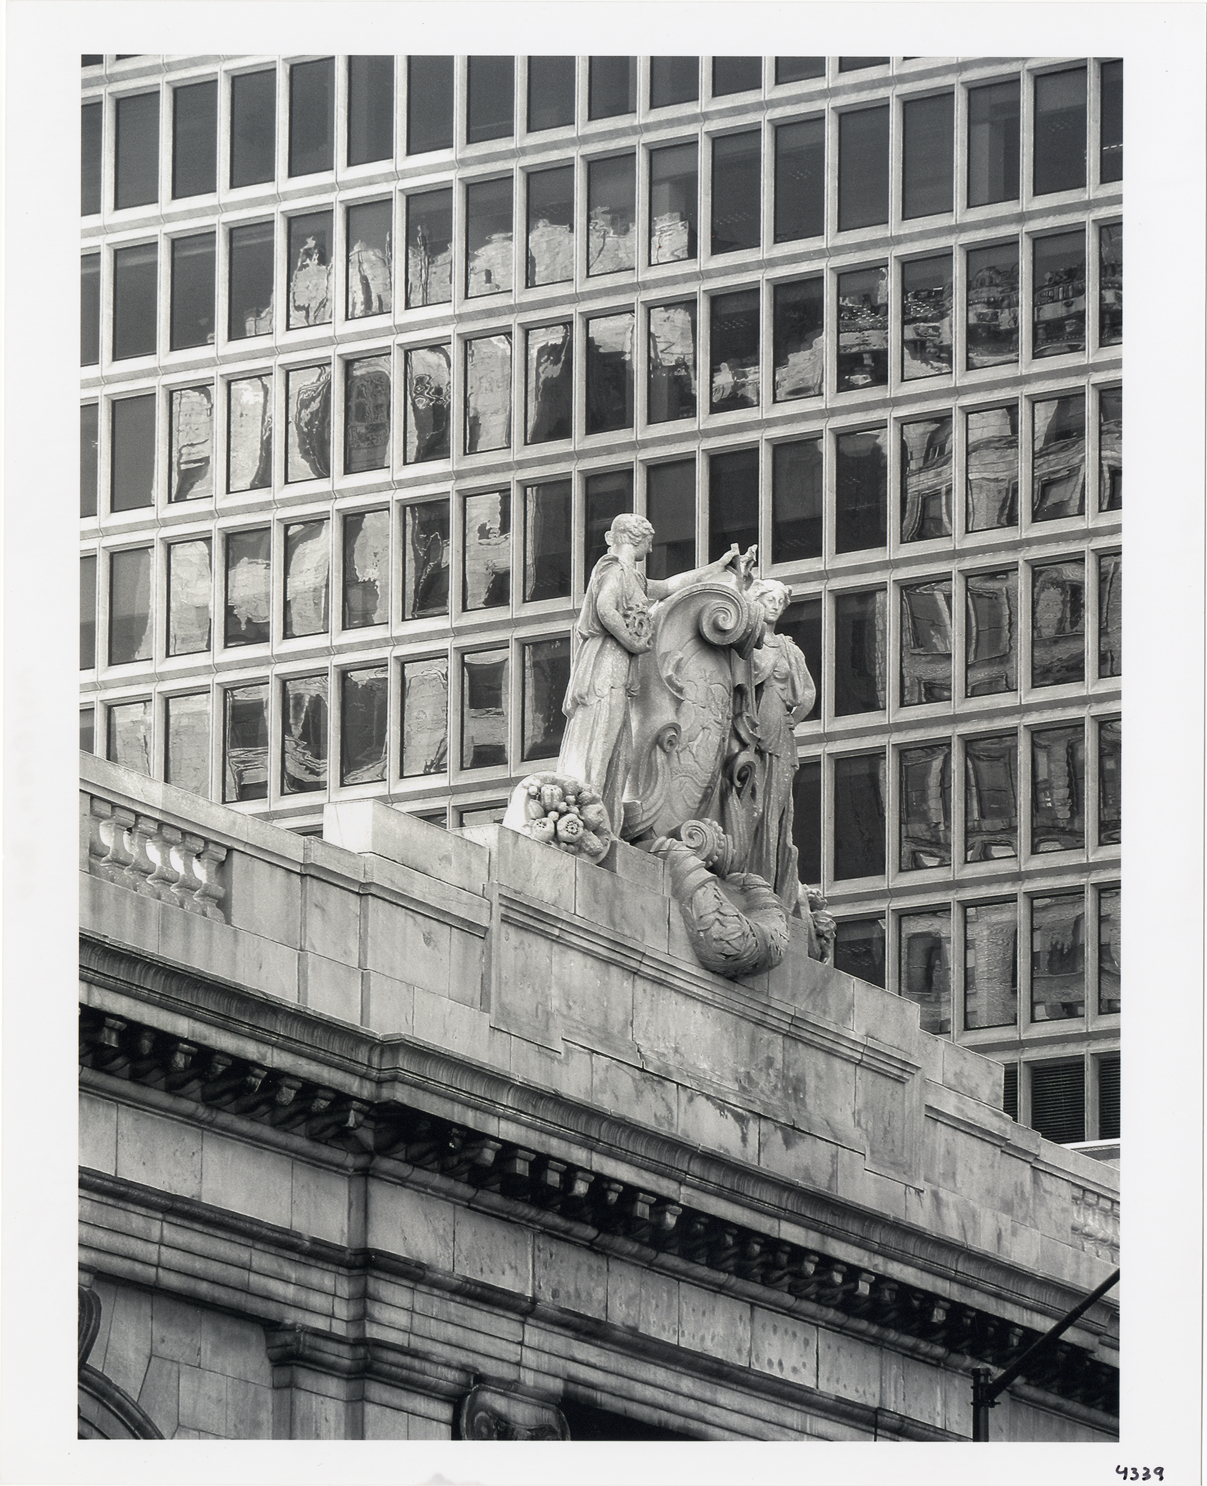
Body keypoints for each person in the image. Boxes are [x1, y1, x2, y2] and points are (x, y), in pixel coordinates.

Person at [558, 514, 740, 833]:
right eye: (649, 542)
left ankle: (602, 816)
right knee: (602, 734)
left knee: (620, 746)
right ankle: (586, 812)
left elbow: (669, 586)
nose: (651, 549)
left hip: (619, 665)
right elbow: (605, 609)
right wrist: (632, 641)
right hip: (606, 663)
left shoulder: (634, 578)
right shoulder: (614, 569)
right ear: (635, 539)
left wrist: (717, 568)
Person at [745, 578, 816, 907]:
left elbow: (808, 692)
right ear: (756, 600)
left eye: (779, 602)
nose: (774, 606)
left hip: (779, 732)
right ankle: (745, 873)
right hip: (749, 728)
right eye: (768, 600)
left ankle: (767, 883)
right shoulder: (745, 641)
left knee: (774, 812)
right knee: (751, 806)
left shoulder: (789, 649)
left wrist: (794, 719)